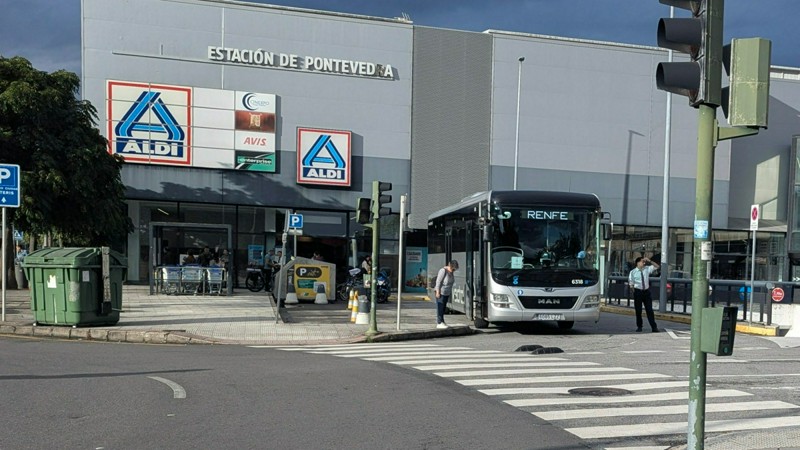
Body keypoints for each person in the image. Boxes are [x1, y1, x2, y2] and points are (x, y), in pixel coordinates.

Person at [628, 256, 660, 332]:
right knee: (638, 310)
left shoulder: (647, 269)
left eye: (644, 262)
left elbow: (657, 266)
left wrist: (649, 260)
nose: (644, 263)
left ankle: (654, 327)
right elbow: (631, 283)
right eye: (643, 261)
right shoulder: (633, 272)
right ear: (638, 263)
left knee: (649, 310)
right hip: (638, 291)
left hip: (646, 292)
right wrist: (634, 292)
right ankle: (639, 326)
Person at [433, 260, 459, 329]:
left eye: (454, 269)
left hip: (447, 293)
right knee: (440, 307)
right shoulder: (443, 271)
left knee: (443, 308)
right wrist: (437, 292)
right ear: (449, 266)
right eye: (452, 269)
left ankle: (442, 321)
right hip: (441, 292)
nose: (453, 270)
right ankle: (439, 322)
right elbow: (438, 281)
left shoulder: (451, 272)